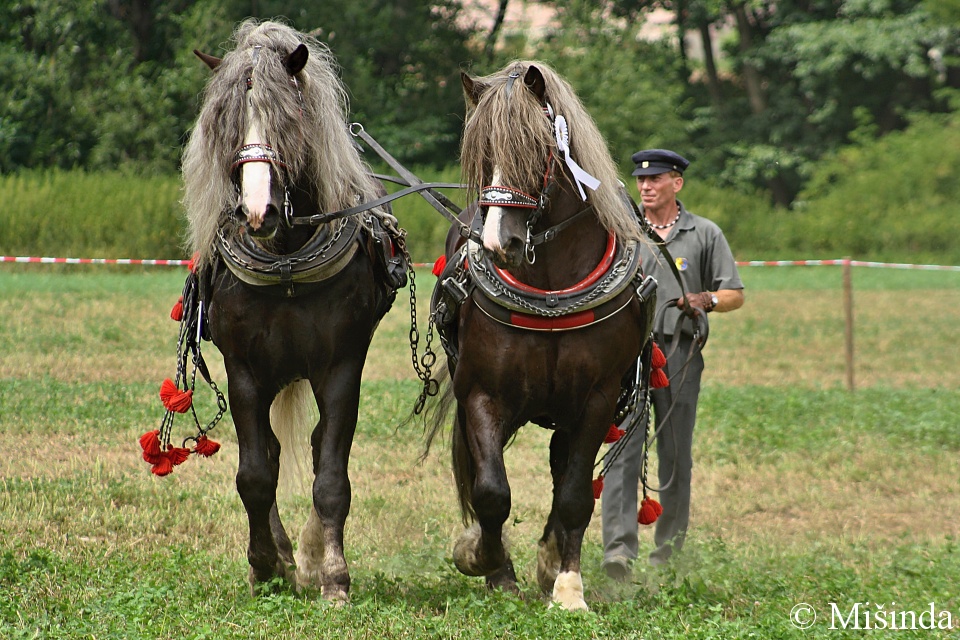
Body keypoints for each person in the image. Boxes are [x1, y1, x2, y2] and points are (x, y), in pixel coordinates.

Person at [601, 149, 745, 578]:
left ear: (676, 183)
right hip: (627, 354)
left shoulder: (704, 233)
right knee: (620, 450)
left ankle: (667, 554)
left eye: (656, 179)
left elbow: (735, 293)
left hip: (679, 353)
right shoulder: (623, 232)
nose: (645, 186)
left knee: (675, 454)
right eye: (641, 180)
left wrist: (706, 300)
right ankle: (618, 552)